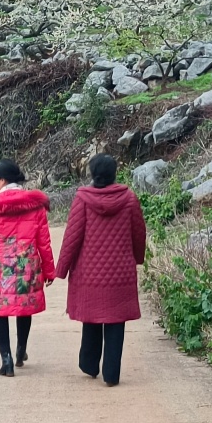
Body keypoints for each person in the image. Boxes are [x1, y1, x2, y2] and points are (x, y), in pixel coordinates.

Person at [55, 154, 146, 386]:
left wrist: (62, 268)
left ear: (92, 173)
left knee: (92, 317)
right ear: (115, 173)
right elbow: (139, 233)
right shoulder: (129, 198)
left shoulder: (83, 199)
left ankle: (89, 364)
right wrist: (137, 258)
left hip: (90, 274)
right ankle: (112, 375)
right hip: (120, 273)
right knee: (116, 323)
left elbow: (72, 237)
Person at [0, 160, 56, 377]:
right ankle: (20, 350)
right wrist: (49, 269)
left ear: (2, 180)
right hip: (26, 265)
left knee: (0, 311)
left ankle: (5, 359)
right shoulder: (35, 205)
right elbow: (44, 241)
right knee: (23, 307)